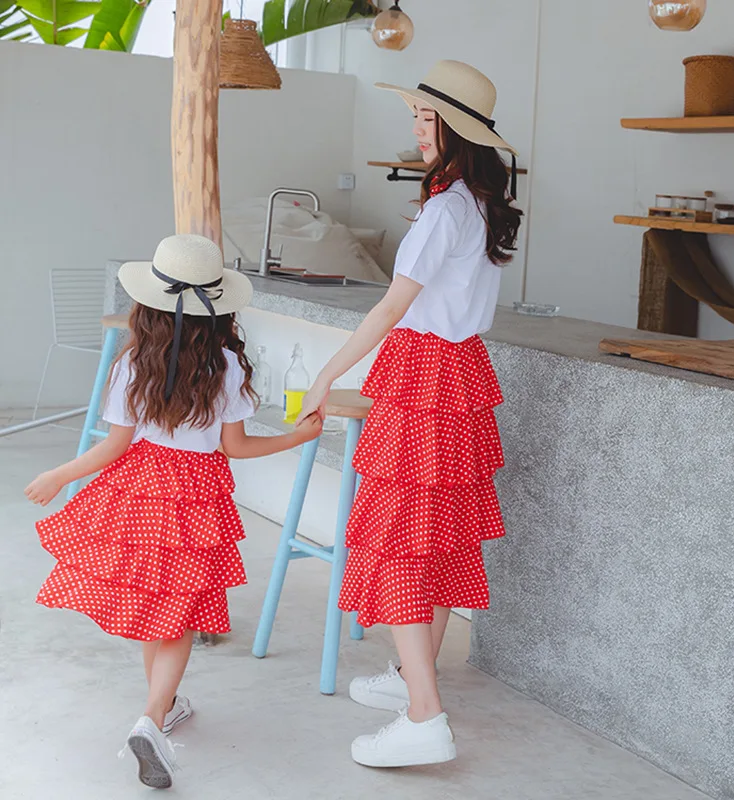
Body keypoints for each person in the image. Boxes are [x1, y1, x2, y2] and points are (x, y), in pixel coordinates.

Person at [25, 235, 322, 789]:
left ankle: (161, 707)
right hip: (195, 498)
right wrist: (298, 438)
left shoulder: (133, 363)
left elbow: (113, 446)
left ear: (148, 306)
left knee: (156, 606)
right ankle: (153, 717)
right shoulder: (226, 365)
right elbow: (236, 447)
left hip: (139, 489)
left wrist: (59, 475)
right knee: (179, 614)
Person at [296, 60, 523, 768]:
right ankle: (408, 678)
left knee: (396, 540)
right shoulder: (478, 204)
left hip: (424, 376)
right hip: (460, 376)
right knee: (442, 535)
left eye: (429, 119)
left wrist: (328, 373)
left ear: (458, 130)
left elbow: (391, 308)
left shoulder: (444, 208)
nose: (419, 130)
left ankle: (424, 714)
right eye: (418, 117)